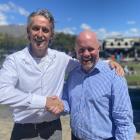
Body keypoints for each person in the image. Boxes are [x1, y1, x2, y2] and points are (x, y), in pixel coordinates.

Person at [0, 9, 124, 140]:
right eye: (35, 28)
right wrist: (43, 102)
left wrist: (107, 63)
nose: (40, 34)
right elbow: (2, 92)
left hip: (53, 130)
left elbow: (85, 61)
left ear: (51, 35)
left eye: (45, 30)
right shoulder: (14, 60)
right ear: (28, 32)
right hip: (23, 130)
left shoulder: (61, 59)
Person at [48, 30, 136, 140]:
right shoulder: (72, 75)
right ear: (76, 51)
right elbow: (67, 100)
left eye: (90, 49)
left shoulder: (114, 75)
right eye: (81, 50)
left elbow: (124, 121)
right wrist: (60, 105)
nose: (86, 54)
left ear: (99, 49)